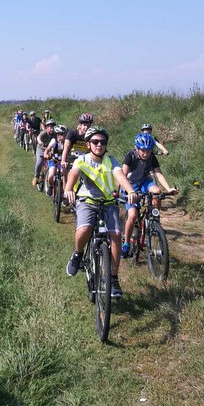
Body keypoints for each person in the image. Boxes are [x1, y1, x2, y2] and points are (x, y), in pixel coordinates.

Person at [64, 126, 138, 298]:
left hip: (109, 203)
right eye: (95, 142)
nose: (99, 145)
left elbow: (120, 176)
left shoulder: (111, 161)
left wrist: (130, 191)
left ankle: (113, 278)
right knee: (84, 229)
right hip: (87, 201)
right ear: (88, 144)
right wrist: (68, 189)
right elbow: (73, 175)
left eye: (102, 142)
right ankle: (78, 254)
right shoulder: (81, 160)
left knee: (116, 236)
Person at [120, 132, 177, 257]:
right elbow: (122, 176)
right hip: (130, 185)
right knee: (133, 214)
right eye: (143, 150)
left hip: (144, 182)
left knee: (157, 191)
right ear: (137, 148)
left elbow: (158, 173)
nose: (146, 153)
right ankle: (126, 243)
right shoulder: (130, 156)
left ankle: (155, 220)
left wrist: (168, 188)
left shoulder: (151, 157)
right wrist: (128, 192)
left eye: (149, 150)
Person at [43, 124, 67, 193]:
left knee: (65, 175)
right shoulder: (54, 141)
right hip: (53, 160)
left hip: (62, 161)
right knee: (51, 174)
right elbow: (47, 150)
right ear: (58, 135)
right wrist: (46, 155)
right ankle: (50, 186)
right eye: (63, 134)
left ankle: (65, 193)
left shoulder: (67, 142)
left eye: (65, 134)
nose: (65, 136)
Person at [32, 119, 56, 187]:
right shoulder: (44, 133)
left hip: (50, 150)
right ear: (46, 127)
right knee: (39, 162)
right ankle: (36, 177)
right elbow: (38, 137)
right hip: (41, 149)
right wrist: (40, 142)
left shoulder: (55, 134)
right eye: (50, 127)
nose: (51, 129)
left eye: (52, 127)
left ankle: (47, 175)